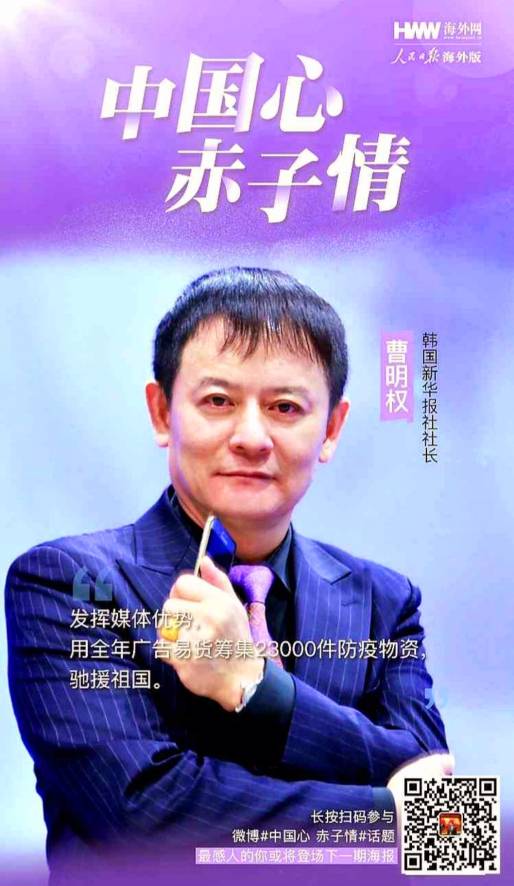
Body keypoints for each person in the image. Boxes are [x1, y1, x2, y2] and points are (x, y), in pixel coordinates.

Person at [5, 267, 453, 881]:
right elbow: (143, 813)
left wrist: (257, 690)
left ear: (331, 429)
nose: (251, 436)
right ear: (162, 412)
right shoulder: (65, 581)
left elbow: (447, 808)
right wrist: (386, 819)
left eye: (285, 407)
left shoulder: (385, 601)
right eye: (218, 401)